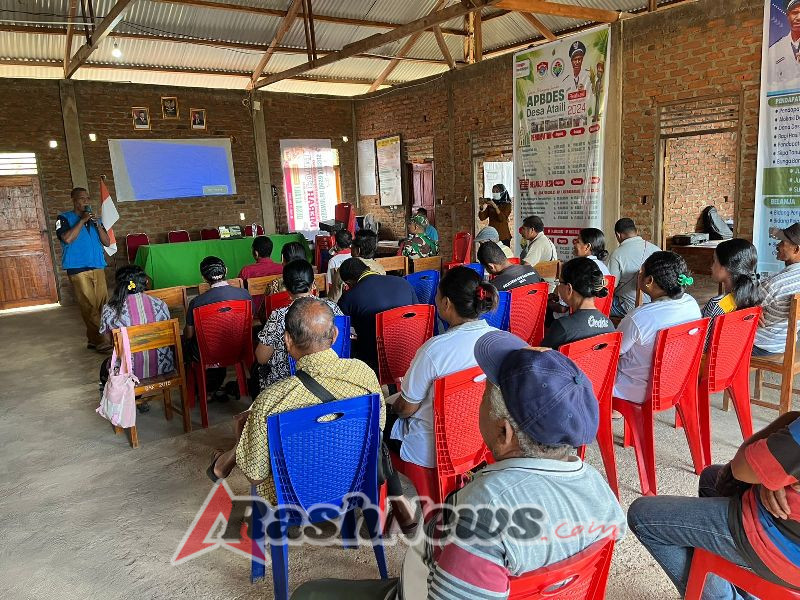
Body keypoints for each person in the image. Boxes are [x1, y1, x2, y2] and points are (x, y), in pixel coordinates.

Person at [293, 332, 626, 600]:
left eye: (485, 391)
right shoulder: (601, 491)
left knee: (308, 592)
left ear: (503, 431)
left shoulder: (483, 509)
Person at [207, 297, 385, 504]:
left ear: (287, 340)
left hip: (294, 496)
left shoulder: (272, 399)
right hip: (354, 481)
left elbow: (255, 475)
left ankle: (224, 461)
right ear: (335, 335)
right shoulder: (364, 373)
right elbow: (378, 427)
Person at [628, 410, 800, 599]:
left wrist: (767, 474)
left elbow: (740, 467)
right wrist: (772, 474)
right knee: (711, 479)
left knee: (642, 517)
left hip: (784, 546)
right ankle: (743, 590)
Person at [387, 266, 497, 468]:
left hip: (433, 451)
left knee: (377, 426)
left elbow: (406, 409)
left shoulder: (434, 350)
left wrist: (393, 407)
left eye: (437, 295)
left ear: (446, 303)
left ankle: (394, 495)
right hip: (482, 439)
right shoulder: (497, 339)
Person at [614, 251, 701, 405]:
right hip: (677, 382)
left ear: (649, 280)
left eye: (641, 272)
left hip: (638, 389)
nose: (638, 276)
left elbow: (614, 350)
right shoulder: (691, 303)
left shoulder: (639, 318)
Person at [254, 259, 343, 392]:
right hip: (331, 377)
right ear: (313, 284)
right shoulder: (333, 309)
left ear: (286, 288)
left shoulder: (278, 316)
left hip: (288, 385)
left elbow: (261, 358)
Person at [99, 265, 174, 411]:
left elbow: (111, 342)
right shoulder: (160, 304)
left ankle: (119, 402)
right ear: (145, 282)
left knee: (105, 366)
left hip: (129, 373)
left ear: (119, 285)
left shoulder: (110, 308)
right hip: (163, 367)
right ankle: (139, 398)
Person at [185, 256, 253, 398]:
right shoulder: (244, 295)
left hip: (208, 354)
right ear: (226, 271)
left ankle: (201, 390)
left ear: (204, 278)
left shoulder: (197, 302)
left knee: (186, 346)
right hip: (239, 348)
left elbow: (189, 335)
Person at [55, 187, 112, 352]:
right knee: (89, 306)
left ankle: (93, 339)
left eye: (87, 198)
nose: (86, 201)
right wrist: (81, 221)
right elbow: (67, 238)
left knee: (102, 305)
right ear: (73, 199)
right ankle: (103, 341)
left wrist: (97, 225)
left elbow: (107, 242)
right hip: (77, 268)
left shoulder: (96, 220)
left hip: (97, 265)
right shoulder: (63, 218)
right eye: (82, 198)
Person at [337, 258, 418, 373]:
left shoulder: (349, 297)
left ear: (349, 283)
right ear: (367, 269)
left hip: (375, 359)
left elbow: (341, 330)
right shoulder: (403, 283)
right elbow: (419, 313)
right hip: (410, 350)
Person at [541, 257, 615, 349]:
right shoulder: (609, 326)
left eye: (559, 282)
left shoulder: (563, 327)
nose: (558, 286)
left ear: (569, 289)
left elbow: (538, 357)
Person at [702, 238, 763, 347]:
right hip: (734, 360)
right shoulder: (754, 298)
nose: (711, 266)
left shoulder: (717, 305)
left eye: (715, 261)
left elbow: (704, 345)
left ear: (726, 267)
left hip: (711, 362)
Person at [752, 223, 800, 356]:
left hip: (761, 344)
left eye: (782, 242)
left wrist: (753, 307)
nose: (777, 245)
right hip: (785, 344)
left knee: (717, 338)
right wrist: (754, 306)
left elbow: (745, 304)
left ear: (796, 249)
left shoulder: (777, 283)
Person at [607, 218, 660, 318]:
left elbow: (610, 287)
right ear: (636, 231)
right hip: (655, 305)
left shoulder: (617, 254)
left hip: (628, 307)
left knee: (593, 305)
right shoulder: (656, 249)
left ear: (618, 235)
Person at [328, 229, 386, 303]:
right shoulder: (380, 268)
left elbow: (333, 299)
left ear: (357, 250)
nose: (351, 247)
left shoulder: (345, 269)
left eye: (352, 245)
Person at [477, 241, 543, 291]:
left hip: (513, 309)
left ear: (491, 266)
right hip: (535, 308)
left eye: (485, 267)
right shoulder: (532, 270)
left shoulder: (494, 287)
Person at [767, 0, 800, 92]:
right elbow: (769, 84)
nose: (799, 17)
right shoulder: (775, 49)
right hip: (785, 104)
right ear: (787, 16)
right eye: (795, 13)